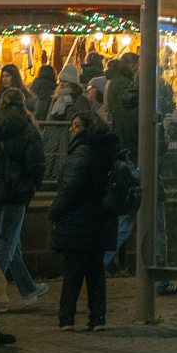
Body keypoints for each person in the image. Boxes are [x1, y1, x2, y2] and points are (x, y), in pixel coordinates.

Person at [48, 105, 121, 332]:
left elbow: (70, 187)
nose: (72, 130)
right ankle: (98, 318)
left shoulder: (82, 152)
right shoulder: (107, 150)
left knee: (73, 271)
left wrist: (54, 211)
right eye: (71, 126)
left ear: (87, 128)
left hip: (79, 219)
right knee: (96, 271)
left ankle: (66, 318)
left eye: (76, 126)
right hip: (102, 219)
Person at [0, 85, 49, 308]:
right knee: (6, 242)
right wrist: (33, 185)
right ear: (22, 103)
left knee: (10, 241)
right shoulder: (27, 128)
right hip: (15, 190)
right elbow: (35, 162)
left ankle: (28, 288)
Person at [42, 64, 91, 174]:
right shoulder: (56, 99)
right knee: (51, 170)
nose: (61, 84)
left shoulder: (80, 100)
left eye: (65, 81)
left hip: (69, 140)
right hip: (53, 141)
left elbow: (84, 120)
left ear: (72, 83)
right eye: (61, 81)